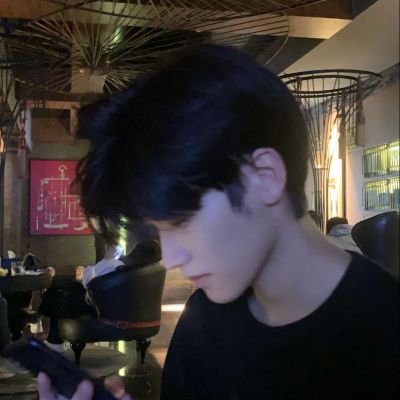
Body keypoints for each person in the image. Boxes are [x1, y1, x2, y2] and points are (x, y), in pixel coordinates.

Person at [39, 45, 399, 399]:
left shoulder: (387, 327)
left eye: (182, 221)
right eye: (160, 229)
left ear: (263, 176)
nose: (172, 257)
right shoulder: (203, 324)